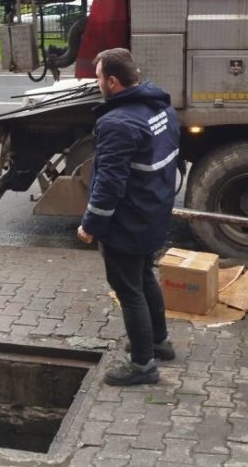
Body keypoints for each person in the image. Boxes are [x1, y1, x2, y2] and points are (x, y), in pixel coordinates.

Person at [77, 47, 180, 386]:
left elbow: (109, 184)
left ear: (113, 82)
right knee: (145, 276)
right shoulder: (160, 106)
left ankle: (142, 365)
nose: (97, 85)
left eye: (98, 79)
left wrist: (90, 225)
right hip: (153, 211)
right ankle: (158, 341)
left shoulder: (118, 123)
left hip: (129, 221)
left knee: (128, 289)